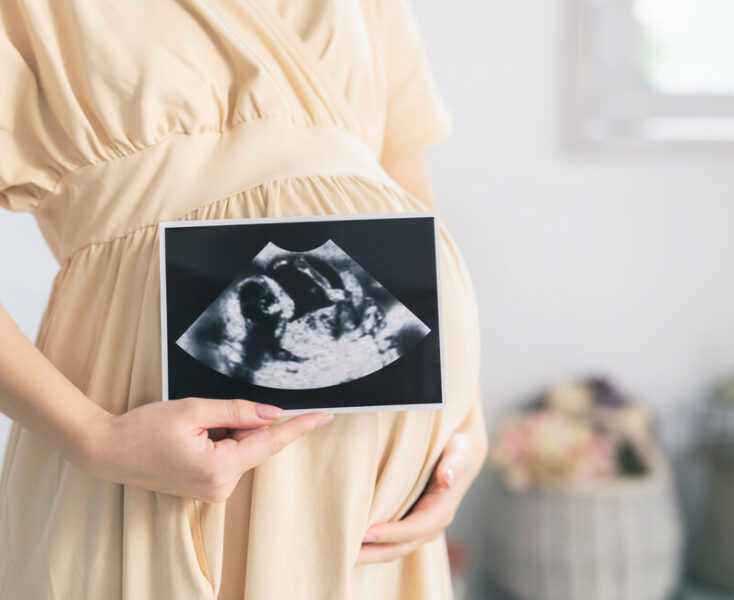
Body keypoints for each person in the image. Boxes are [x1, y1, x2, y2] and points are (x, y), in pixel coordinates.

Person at [0, 1, 487, 598]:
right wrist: (93, 439)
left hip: (379, 479)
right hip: (161, 447)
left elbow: (400, 175)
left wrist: (468, 417)